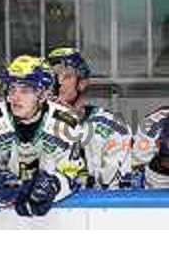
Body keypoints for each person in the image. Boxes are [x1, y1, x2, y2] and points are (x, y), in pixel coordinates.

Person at [0, 55, 80, 217]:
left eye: (25, 90)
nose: (15, 97)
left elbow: (73, 174)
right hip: (1, 217)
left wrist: (53, 186)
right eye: (12, 89)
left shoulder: (66, 123)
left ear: (43, 95)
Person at [47, 47, 131, 189]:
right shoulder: (30, 125)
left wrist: (72, 124)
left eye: (66, 77)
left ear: (82, 83)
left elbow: (115, 191)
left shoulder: (113, 127)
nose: (58, 84)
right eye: (52, 78)